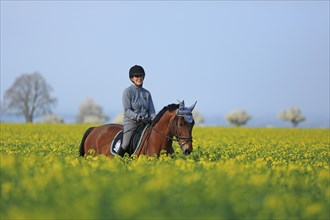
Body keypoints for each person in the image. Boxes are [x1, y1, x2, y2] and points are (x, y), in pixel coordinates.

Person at [116, 65, 156, 156]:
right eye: (136, 76)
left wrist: (153, 120)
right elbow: (127, 110)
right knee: (125, 144)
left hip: (146, 123)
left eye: (141, 76)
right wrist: (138, 117)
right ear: (132, 78)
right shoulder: (128, 92)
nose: (139, 78)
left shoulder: (147, 93)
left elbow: (152, 111)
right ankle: (118, 160)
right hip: (131, 123)